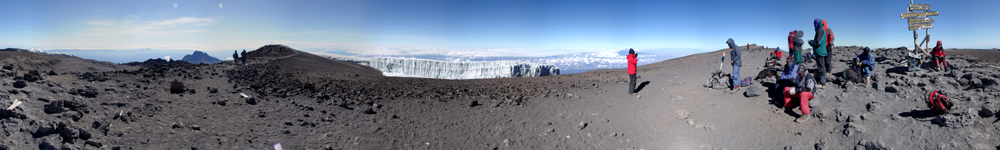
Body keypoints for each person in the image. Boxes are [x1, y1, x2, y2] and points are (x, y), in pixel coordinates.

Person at [808, 18, 829, 88]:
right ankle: (821, 80)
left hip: (820, 52)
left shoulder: (820, 30)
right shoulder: (821, 30)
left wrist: (810, 42)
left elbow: (817, 42)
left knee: (821, 66)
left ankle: (822, 82)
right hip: (820, 51)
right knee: (821, 66)